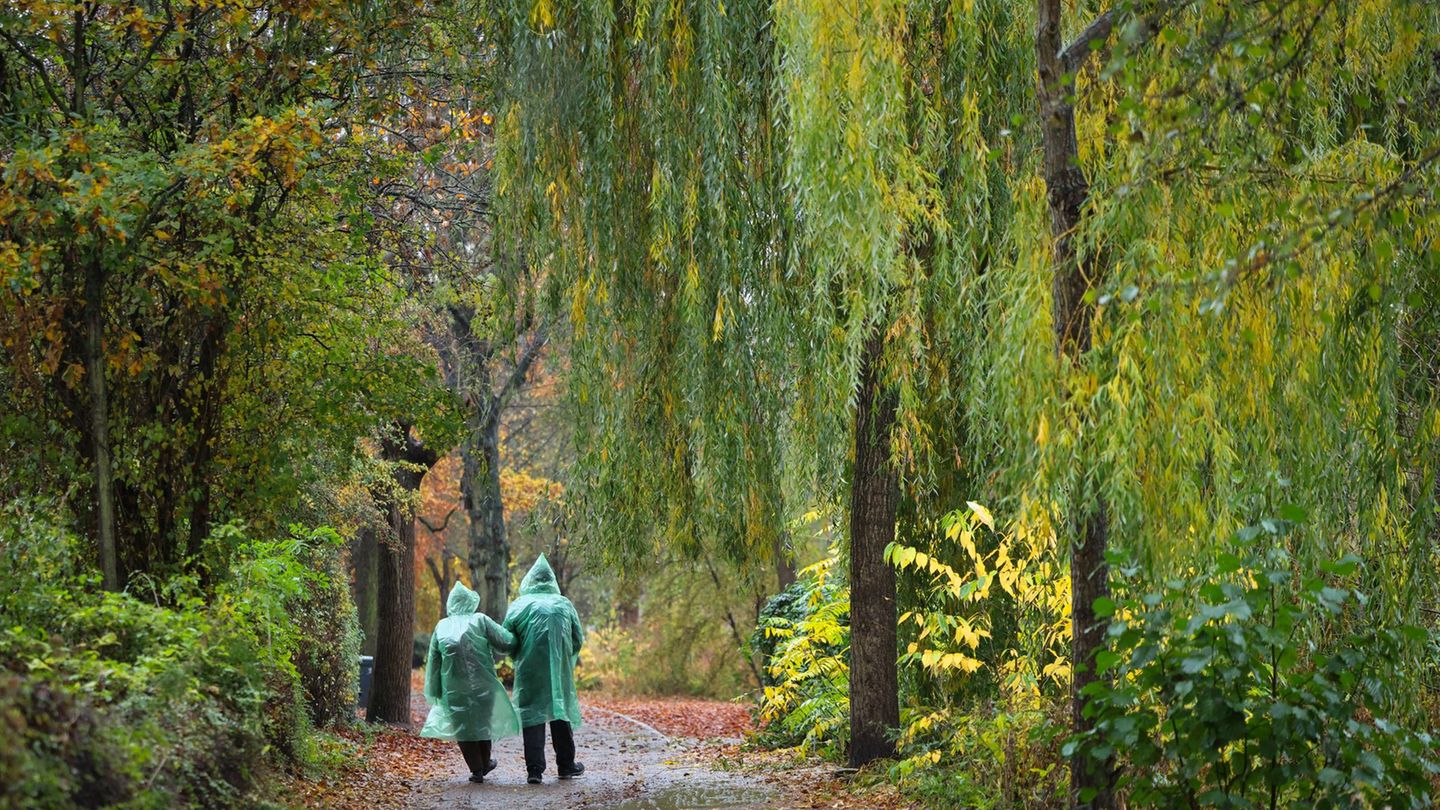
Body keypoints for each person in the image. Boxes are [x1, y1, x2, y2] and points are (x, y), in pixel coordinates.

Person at [420, 582, 521, 784]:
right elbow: (505, 642)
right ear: (469, 602)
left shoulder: (442, 626)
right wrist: (518, 634)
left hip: (454, 687)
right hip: (484, 685)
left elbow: (434, 662)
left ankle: (477, 768)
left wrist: (435, 690)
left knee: (463, 728)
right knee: (483, 723)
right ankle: (484, 763)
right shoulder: (480, 620)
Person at [504, 554, 585, 784]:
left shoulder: (519, 605)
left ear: (529, 580)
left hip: (530, 668)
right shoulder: (564, 604)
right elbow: (578, 638)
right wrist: (563, 656)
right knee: (560, 712)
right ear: (551, 580)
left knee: (532, 715)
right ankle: (566, 766)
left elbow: (506, 638)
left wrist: (518, 654)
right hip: (558, 669)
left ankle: (534, 771)